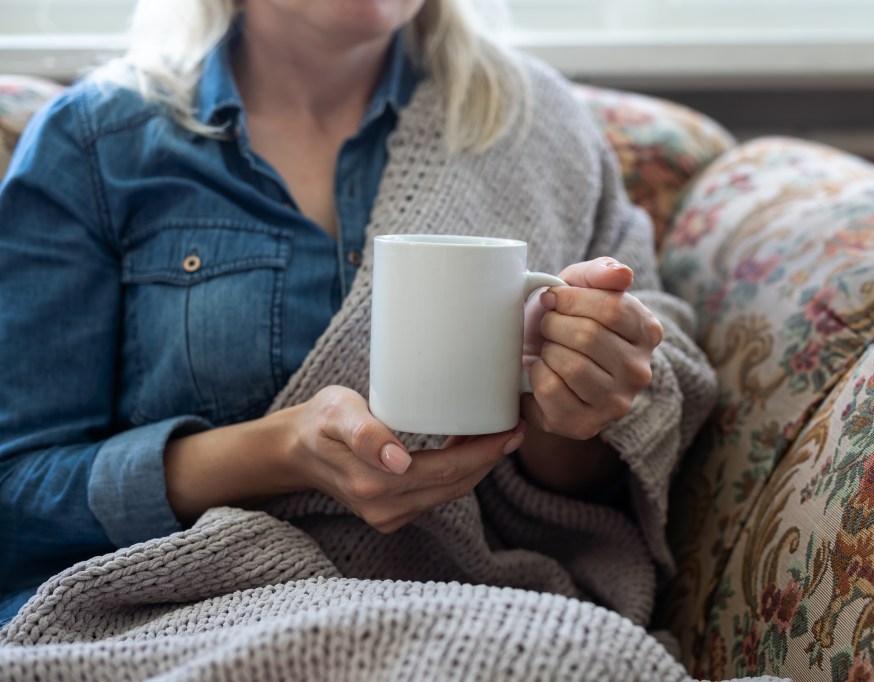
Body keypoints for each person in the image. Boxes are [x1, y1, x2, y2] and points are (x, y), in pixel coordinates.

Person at [0, 0, 715, 639]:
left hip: (484, 615)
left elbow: (606, 464)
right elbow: (17, 490)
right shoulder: (96, 144)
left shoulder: (537, 126)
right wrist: (277, 451)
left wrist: (577, 406)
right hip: (176, 618)